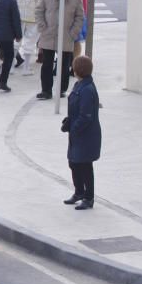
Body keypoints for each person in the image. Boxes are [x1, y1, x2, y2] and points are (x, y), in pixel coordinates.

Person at [35, 0, 84, 100]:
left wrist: (73, 33)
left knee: (64, 65)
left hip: (66, 36)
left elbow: (80, 16)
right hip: (48, 34)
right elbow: (39, 11)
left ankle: (62, 89)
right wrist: (42, 27)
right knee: (47, 64)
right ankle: (46, 90)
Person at [62, 56, 101, 210]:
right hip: (77, 134)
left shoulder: (87, 90)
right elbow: (75, 110)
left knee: (85, 165)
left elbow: (86, 116)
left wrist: (74, 128)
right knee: (73, 163)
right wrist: (68, 122)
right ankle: (79, 191)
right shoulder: (79, 85)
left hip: (85, 135)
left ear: (78, 70)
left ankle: (89, 197)